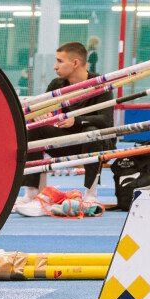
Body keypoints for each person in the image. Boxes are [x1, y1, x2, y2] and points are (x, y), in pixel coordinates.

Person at [16, 42, 114, 214]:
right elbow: (40, 109)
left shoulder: (99, 84)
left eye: (60, 61)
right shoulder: (57, 84)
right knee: (33, 129)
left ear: (75, 63)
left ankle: (91, 195)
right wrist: (38, 114)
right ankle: (32, 192)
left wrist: (76, 120)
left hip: (97, 144)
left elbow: (106, 120)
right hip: (68, 141)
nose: (55, 66)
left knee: (91, 132)